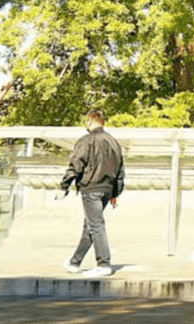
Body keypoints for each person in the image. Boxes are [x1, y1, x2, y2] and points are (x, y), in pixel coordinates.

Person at [60, 109, 125, 277]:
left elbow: (76, 164)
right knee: (90, 225)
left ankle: (104, 264)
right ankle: (75, 262)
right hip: (106, 189)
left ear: (90, 121)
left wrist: (64, 186)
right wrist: (115, 194)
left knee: (96, 225)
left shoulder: (86, 141)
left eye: (86, 122)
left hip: (91, 187)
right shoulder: (113, 142)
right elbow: (120, 171)